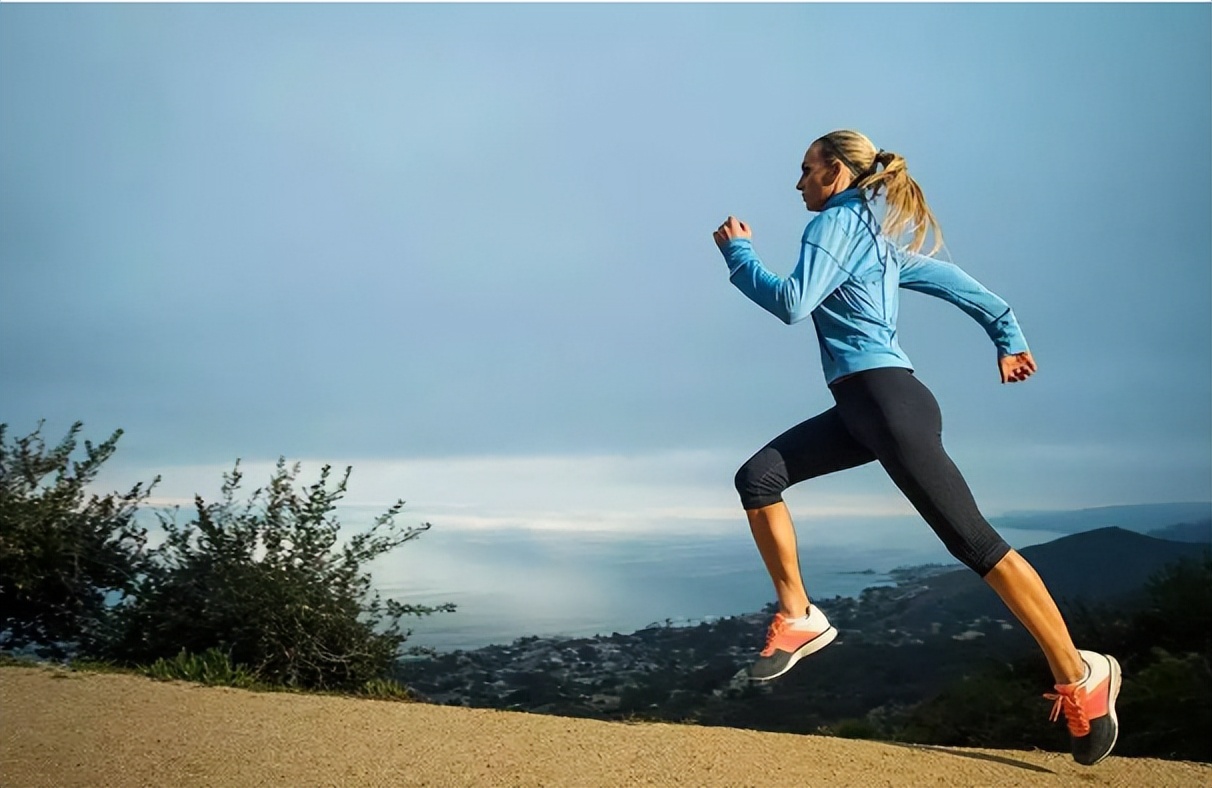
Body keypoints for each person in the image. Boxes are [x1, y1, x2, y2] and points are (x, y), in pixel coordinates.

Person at [712, 129, 1120, 766]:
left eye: (806, 170)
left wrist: (740, 255)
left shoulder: (835, 227)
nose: (798, 184)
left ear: (838, 175)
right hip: (865, 407)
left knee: (976, 545)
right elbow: (958, 282)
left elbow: (793, 304)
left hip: (887, 406)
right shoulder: (873, 240)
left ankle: (1081, 675)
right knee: (759, 478)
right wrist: (1007, 335)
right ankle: (799, 615)